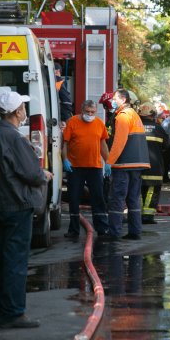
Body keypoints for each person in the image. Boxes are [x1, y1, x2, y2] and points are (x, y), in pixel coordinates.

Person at [0, 91, 53, 328]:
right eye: (23, 107)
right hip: (16, 205)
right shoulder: (15, 139)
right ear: (17, 112)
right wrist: (44, 175)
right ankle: (13, 313)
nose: (24, 111)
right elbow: (30, 173)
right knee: (15, 262)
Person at [62, 100, 111, 238]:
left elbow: (103, 144)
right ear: (82, 110)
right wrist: (65, 159)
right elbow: (65, 143)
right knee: (74, 198)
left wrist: (108, 162)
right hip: (75, 167)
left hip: (94, 167)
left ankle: (102, 228)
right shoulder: (72, 122)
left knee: (98, 197)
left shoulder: (99, 124)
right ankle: (74, 229)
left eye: (92, 112)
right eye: (87, 112)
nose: (90, 114)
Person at [106, 89, 150, 240]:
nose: (112, 101)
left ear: (123, 99)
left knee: (117, 198)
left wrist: (109, 162)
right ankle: (135, 231)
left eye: (114, 98)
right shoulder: (134, 115)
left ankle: (114, 233)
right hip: (137, 164)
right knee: (133, 198)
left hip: (123, 164)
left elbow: (119, 142)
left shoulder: (123, 117)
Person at [138, 102, 169, 224]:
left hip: (137, 166)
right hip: (154, 166)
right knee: (152, 190)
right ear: (153, 114)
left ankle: (137, 214)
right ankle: (148, 216)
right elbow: (167, 146)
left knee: (138, 190)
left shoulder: (134, 126)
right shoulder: (159, 128)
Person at [55, 62, 73, 127]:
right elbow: (67, 102)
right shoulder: (59, 81)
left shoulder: (52, 81)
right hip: (58, 116)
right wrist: (66, 118)